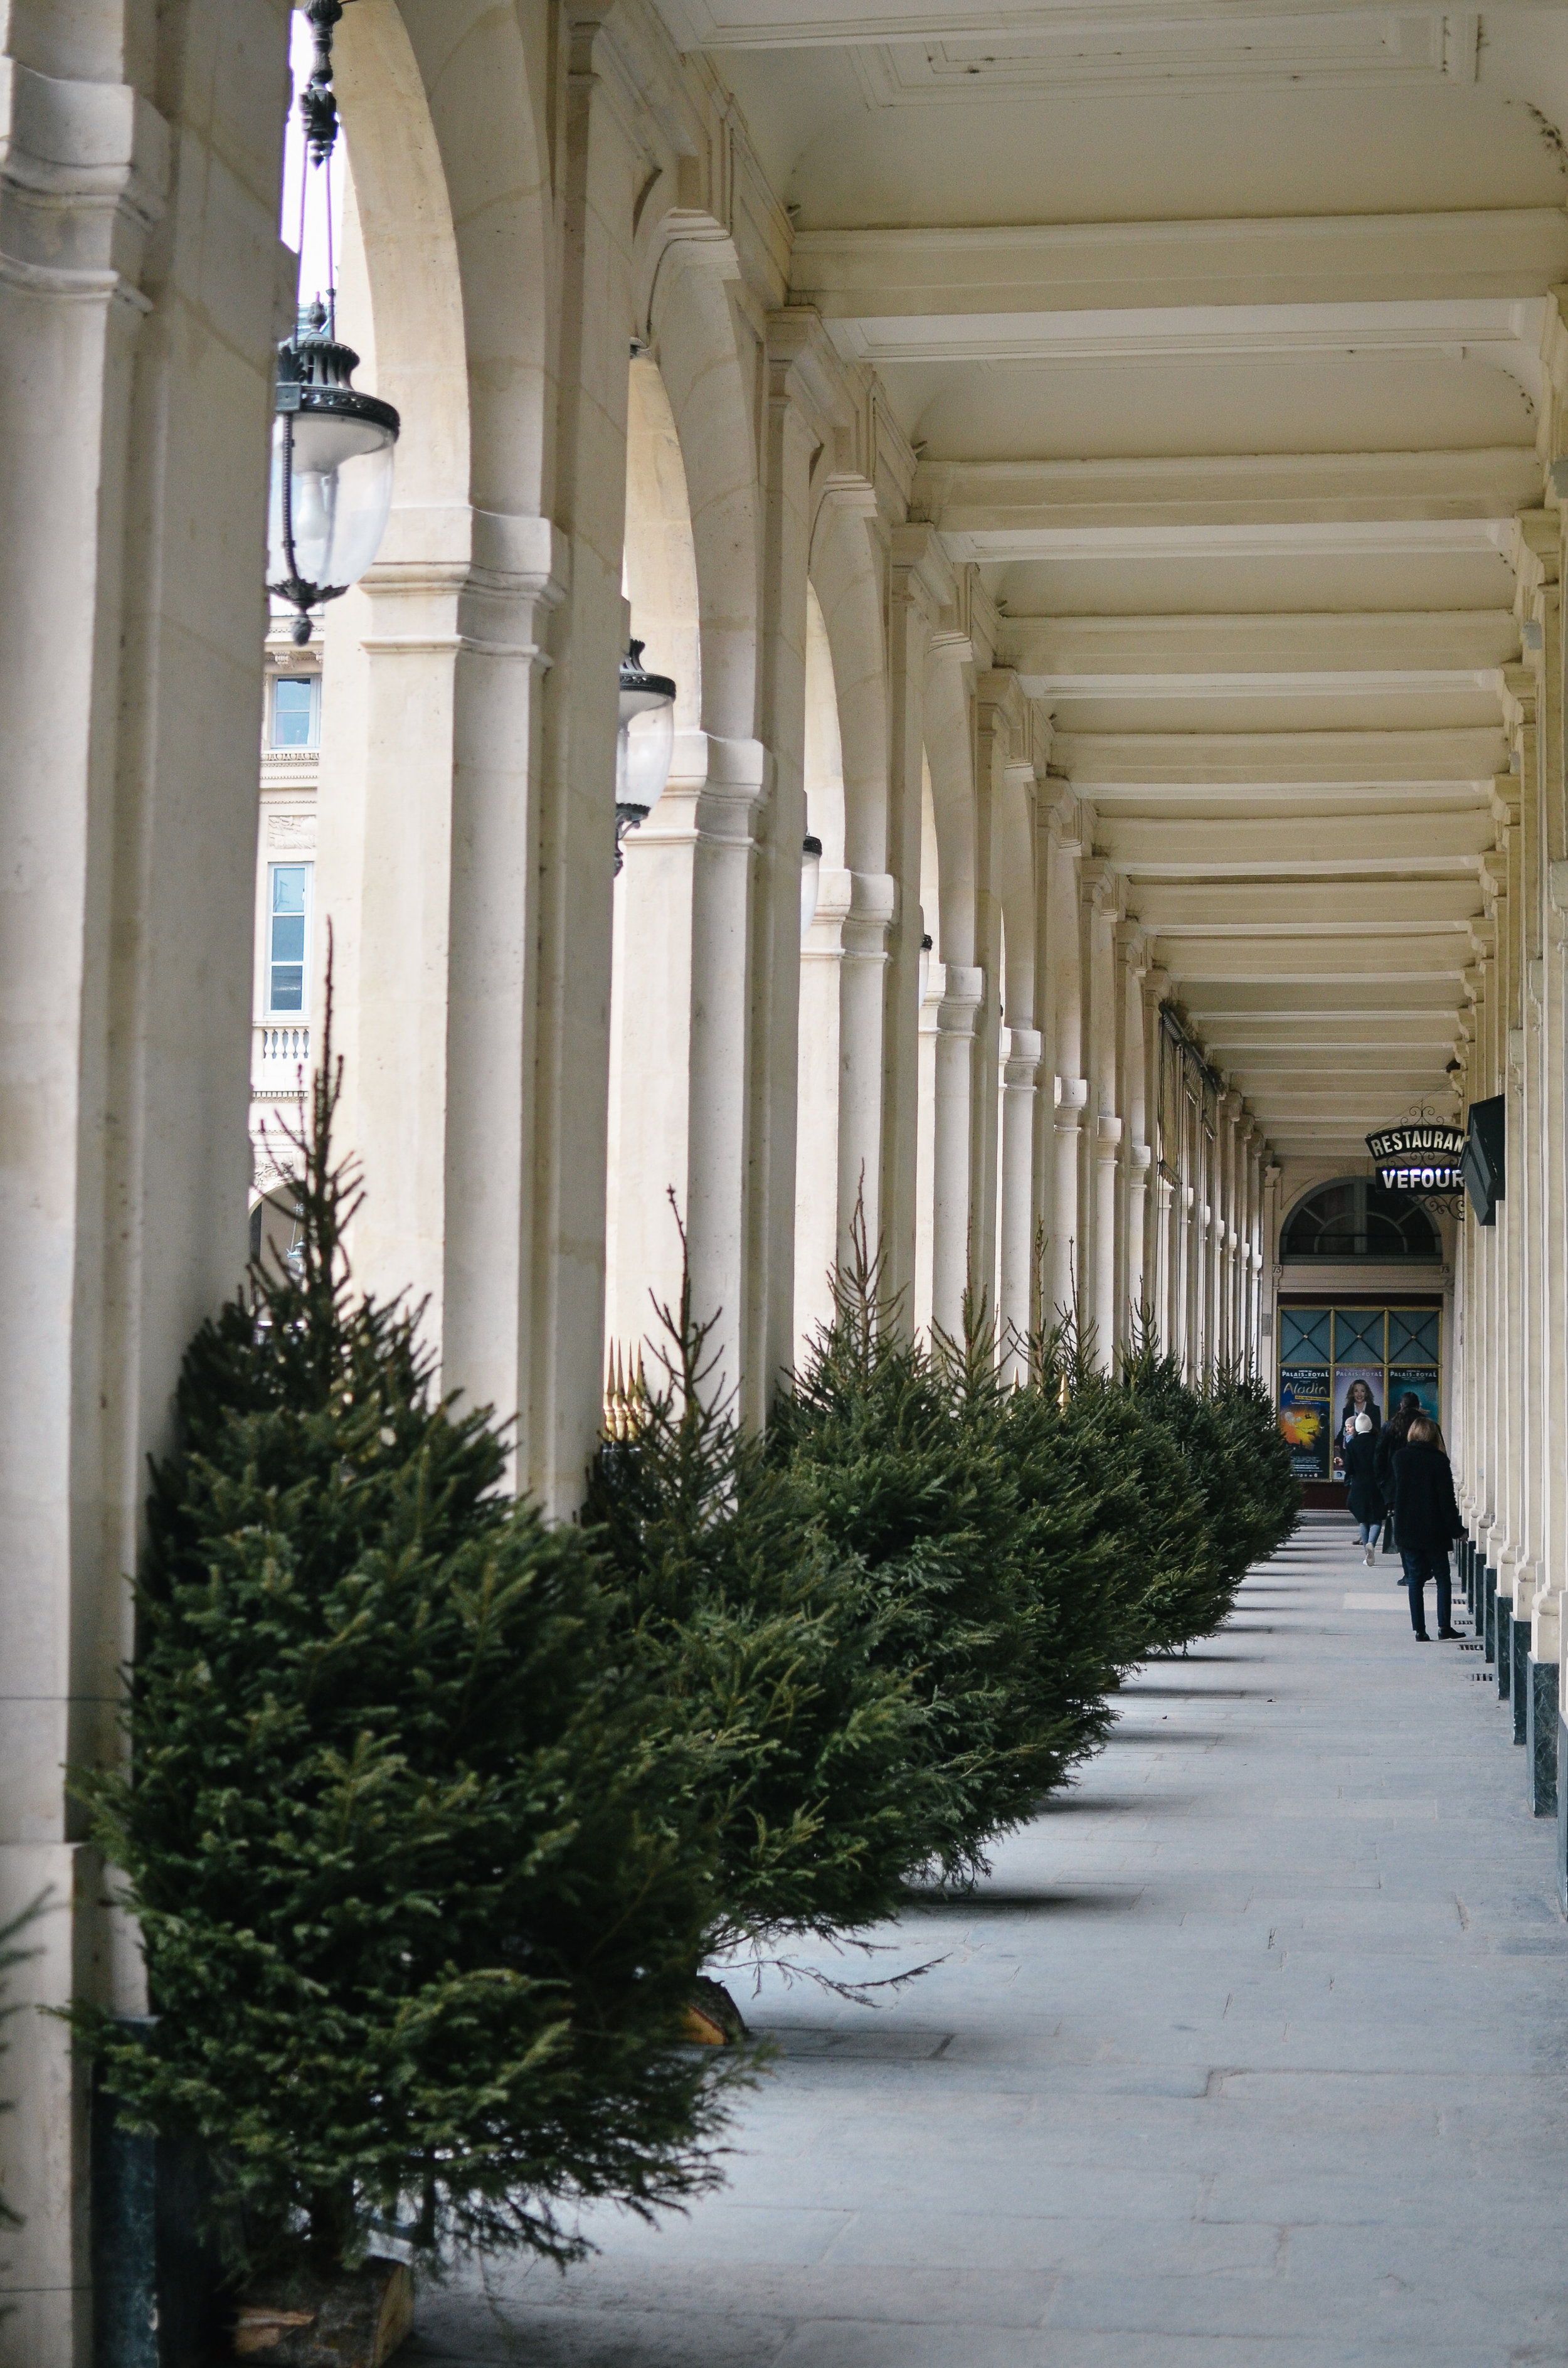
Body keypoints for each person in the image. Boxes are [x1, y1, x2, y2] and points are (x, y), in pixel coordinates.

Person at [1390, 1414, 1463, 1642]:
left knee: (1415, 1579)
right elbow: (1446, 1501)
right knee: (1442, 1577)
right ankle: (1444, 1626)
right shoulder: (1440, 1461)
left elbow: (1395, 1491)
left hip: (1407, 1527)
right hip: (1434, 1529)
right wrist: (1457, 1529)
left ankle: (1419, 1630)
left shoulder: (1400, 1458)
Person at [1373, 1390, 1423, 1563]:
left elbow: (1379, 1455)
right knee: (1421, 1524)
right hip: (1420, 1482)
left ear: (1401, 1406)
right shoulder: (1425, 1425)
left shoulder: (1390, 1426)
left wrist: (1382, 1482)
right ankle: (1421, 1564)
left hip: (1394, 1483)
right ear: (1418, 1406)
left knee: (1401, 1526)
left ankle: (1409, 1570)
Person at [1342, 1410, 1385, 1566]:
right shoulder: (1378, 1443)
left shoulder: (1352, 1445)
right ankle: (1372, 1545)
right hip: (1376, 1485)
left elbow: (1349, 1468)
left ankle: (1367, 1552)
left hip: (1359, 1485)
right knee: (1376, 1519)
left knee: (1363, 1520)